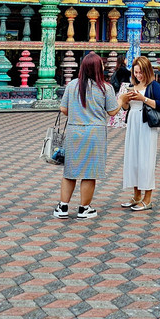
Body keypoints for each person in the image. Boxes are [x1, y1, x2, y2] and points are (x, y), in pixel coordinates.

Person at [54, 52, 119, 220]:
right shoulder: (106, 87)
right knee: (89, 173)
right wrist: (123, 100)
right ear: (98, 68)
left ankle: (63, 207)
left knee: (70, 171)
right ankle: (84, 208)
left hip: (75, 131)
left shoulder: (72, 85)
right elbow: (112, 111)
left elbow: (63, 109)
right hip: (95, 133)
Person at [119, 56, 160, 212]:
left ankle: (147, 198)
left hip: (146, 124)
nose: (138, 76)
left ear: (147, 71)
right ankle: (136, 195)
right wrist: (125, 99)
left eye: (140, 72)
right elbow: (126, 108)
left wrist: (143, 98)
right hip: (133, 122)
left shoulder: (154, 86)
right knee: (133, 159)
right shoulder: (132, 86)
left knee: (146, 160)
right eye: (135, 72)